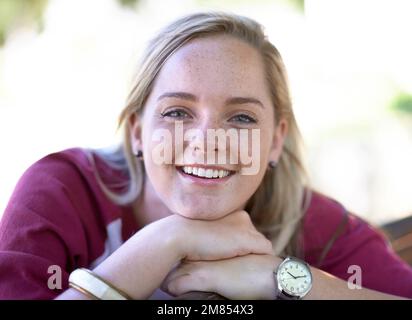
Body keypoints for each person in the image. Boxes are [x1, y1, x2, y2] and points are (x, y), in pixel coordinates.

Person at [0, 12, 411, 300]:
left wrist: (280, 278)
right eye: (177, 112)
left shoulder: (304, 217)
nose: (208, 140)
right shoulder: (63, 190)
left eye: (242, 117)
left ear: (274, 141)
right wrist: (163, 242)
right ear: (138, 132)